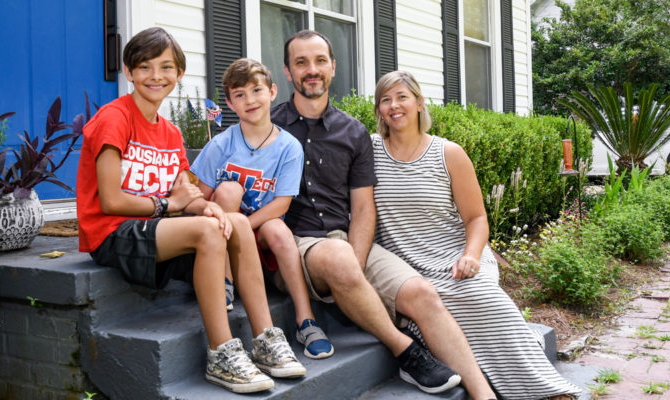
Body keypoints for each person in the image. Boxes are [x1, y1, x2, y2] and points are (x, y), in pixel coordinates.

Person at [76, 27, 305, 394]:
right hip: (112, 233)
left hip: (155, 231)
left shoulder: (169, 132)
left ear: (179, 74)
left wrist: (207, 208)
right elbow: (111, 202)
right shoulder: (114, 118)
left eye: (166, 67)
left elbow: (186, 193)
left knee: (236, 224)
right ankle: (221, 354)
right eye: (145, 66)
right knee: (208, 230)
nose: (156, 76)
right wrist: (171, 205)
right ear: (129, 71)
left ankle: (266, 340)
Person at [271, 30, 495, 397]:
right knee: (339, 258)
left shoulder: (353, 131)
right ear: (288, 71)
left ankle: (482, 393)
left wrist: (355, 269)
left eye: (320, 61)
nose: (311, 70)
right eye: (301, 62)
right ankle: (406, 352)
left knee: (422, 293)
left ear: (333, 67)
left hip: (347, 242)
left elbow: (362, 207)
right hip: (296, 247)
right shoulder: (269, 125)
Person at [371, 70, 581, 399]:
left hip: (458, 254)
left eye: (402, 97)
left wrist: (470, 255)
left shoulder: (448, 153)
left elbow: (477, 217)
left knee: (484, 299)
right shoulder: (369, 152)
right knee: (433, 308)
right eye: (386, 100)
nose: (394, 106)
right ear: (378, 109)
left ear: (419, 103)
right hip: (409, 265)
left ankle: (547, 390)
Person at [191, 58, 334, 359]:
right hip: (223, 237)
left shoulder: (289, 147)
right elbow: (198, 197)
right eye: (239, 94)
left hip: (262, 230)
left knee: (281, 232)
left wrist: (244, 225)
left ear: (271, 92)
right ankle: (225, 281)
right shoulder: (220, 144)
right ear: (229, 102)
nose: (250, 100)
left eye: (256, 90)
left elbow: (281, 204)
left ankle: (305, 320)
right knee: (228, 190)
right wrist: (214, 210)